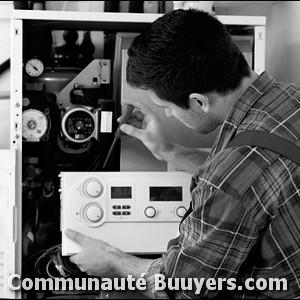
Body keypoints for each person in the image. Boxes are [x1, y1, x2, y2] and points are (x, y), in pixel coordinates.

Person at [65, 9, 300, 298]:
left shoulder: (229, 179)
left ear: (198, 102)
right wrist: (169, 150)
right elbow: (258, 181)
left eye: (167, 107)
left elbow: (181, 286)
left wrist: (112, 260)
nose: (167, 115)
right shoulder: (291, 97)